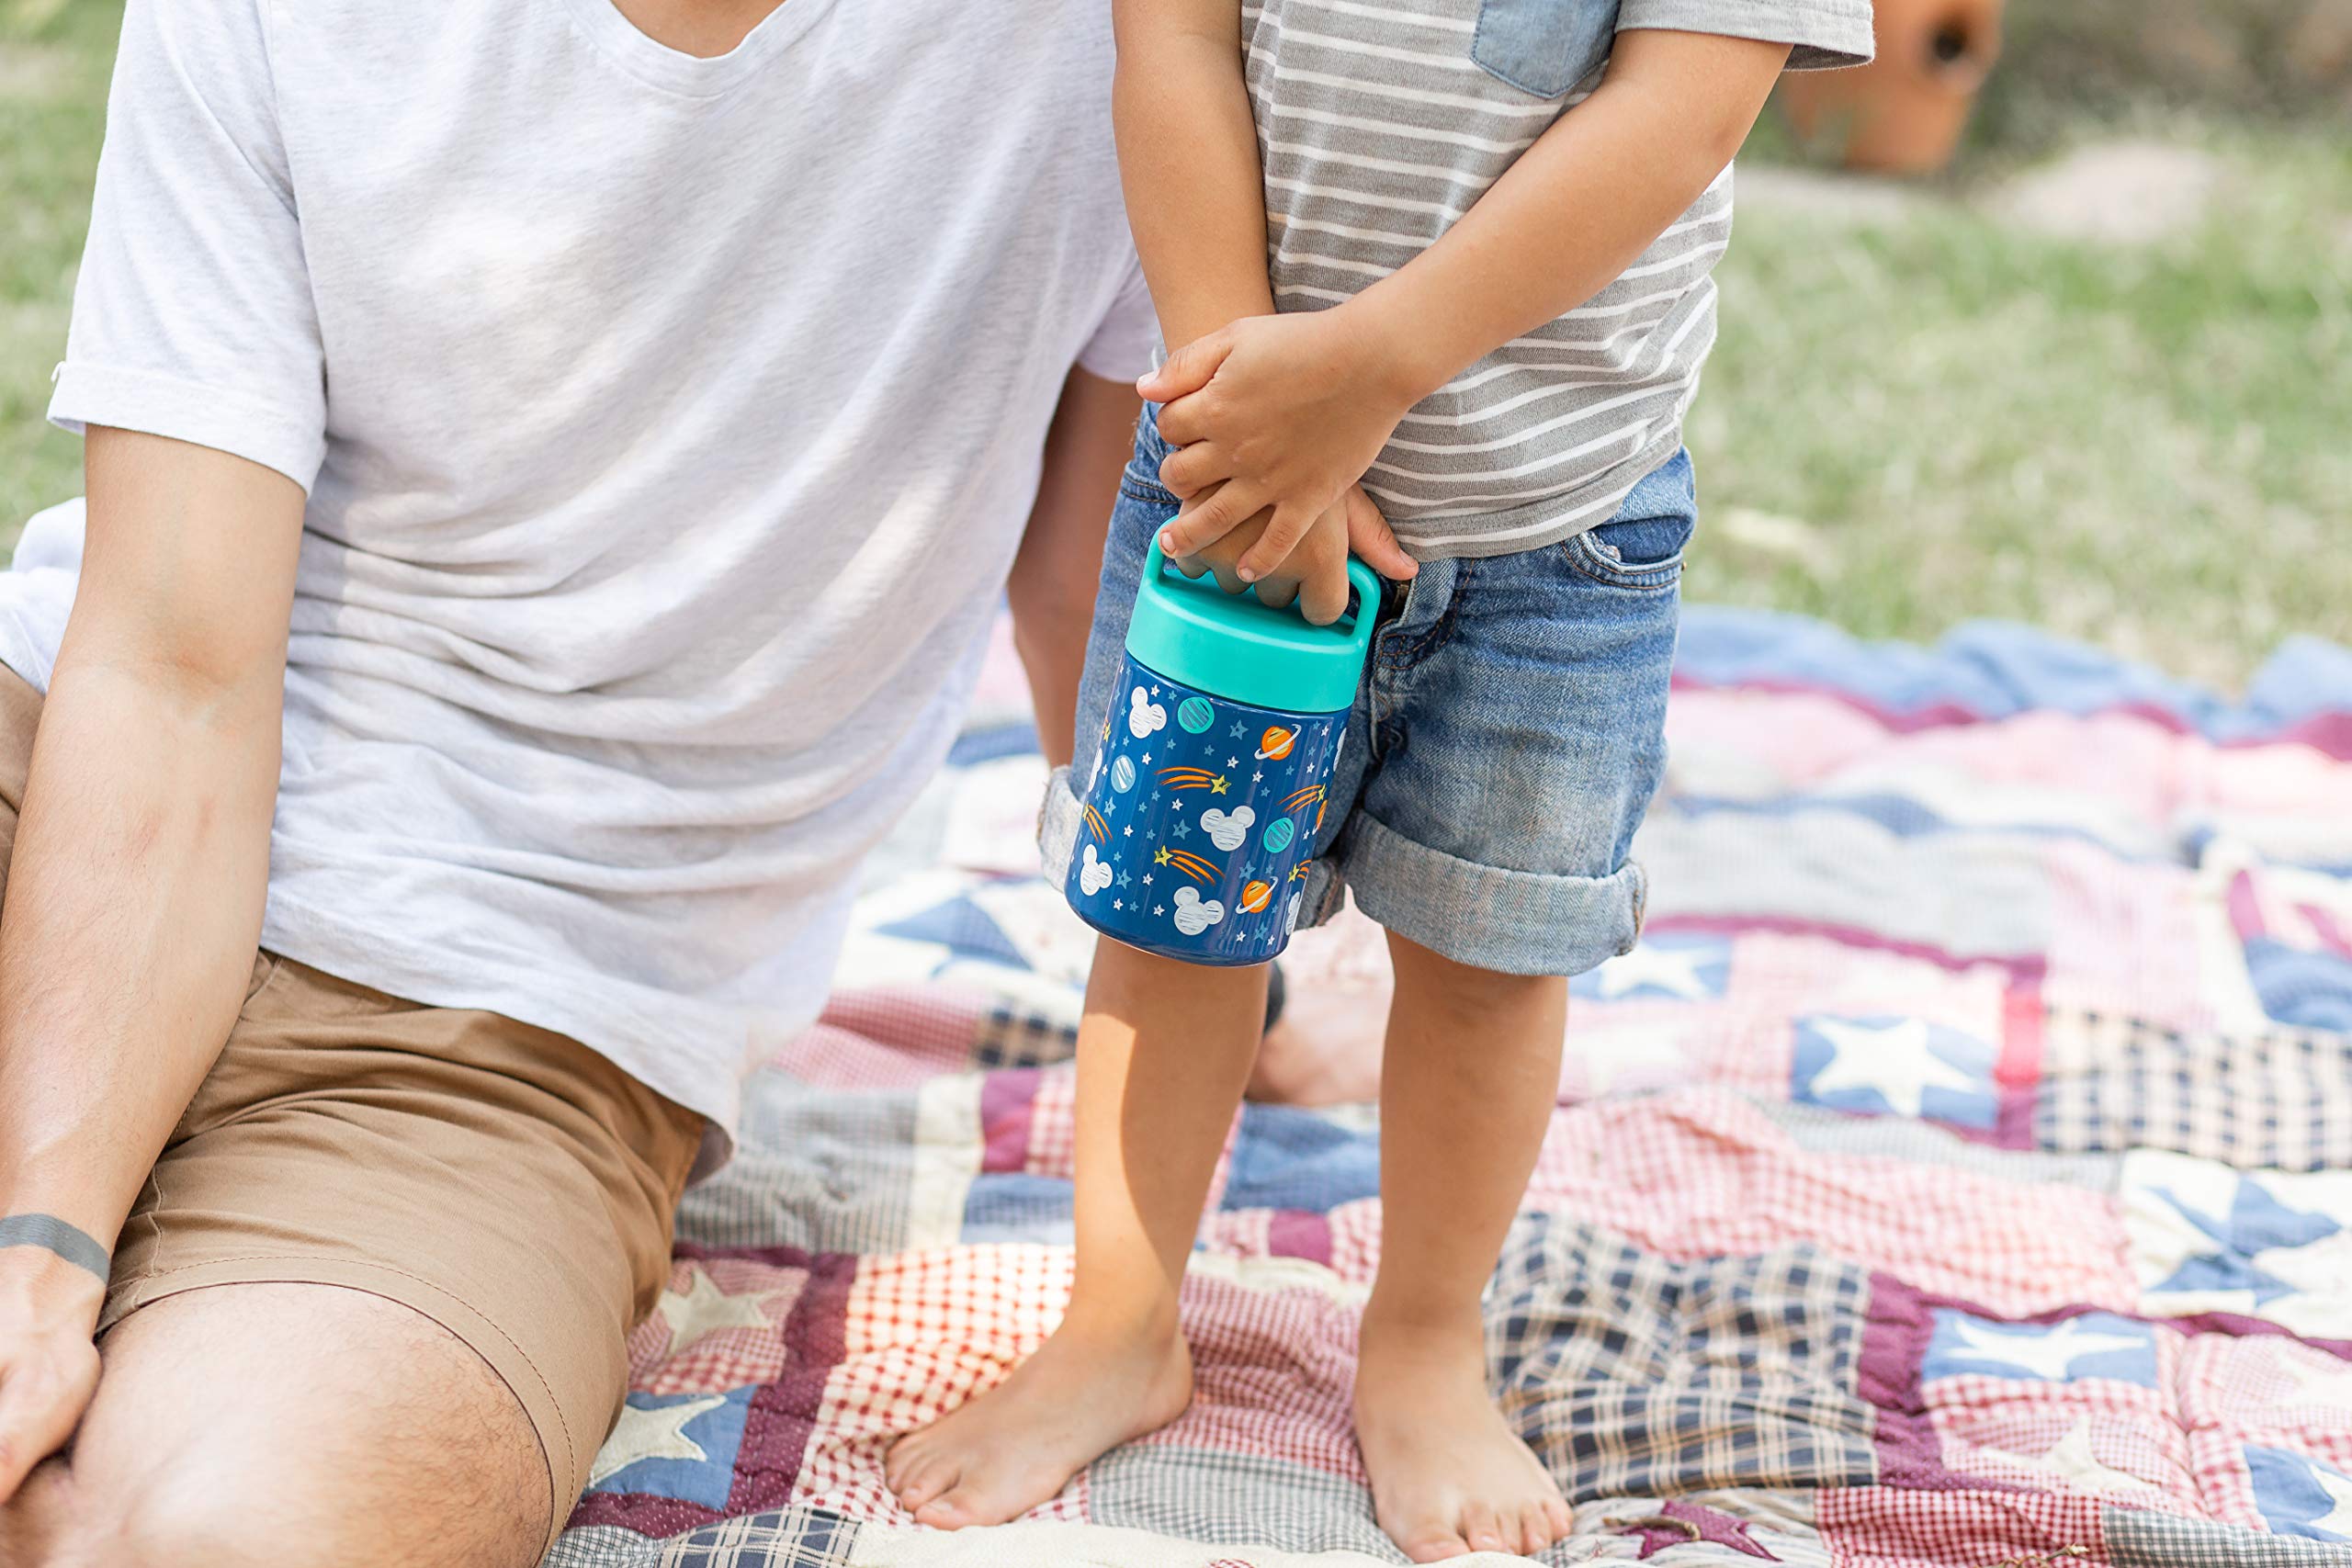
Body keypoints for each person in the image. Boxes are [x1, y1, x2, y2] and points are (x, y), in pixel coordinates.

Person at [0, 0, 1152, 1562]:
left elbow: (1105, 599)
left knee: (222, 1540)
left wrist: (1231, 1000)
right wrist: (41, 1247)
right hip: (64, 783)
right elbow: (174, 666)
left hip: (515, 1020)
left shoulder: (1128, 44)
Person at [886, 0, 1872, 1559]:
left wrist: (1373, 369)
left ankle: (1423, 1339)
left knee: (1488, 954)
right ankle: (1121, 1326)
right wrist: (1258, 412)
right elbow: (1174, 46)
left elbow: (1684, 111)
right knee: (1170, 920)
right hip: (1232, 473)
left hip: (1559, 529)